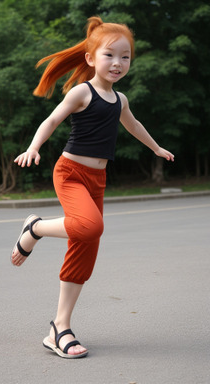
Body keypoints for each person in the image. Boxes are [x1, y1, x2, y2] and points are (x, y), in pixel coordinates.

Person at [11, 16, 174, 359]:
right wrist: (34, 147)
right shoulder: (82, 91)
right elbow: (52, 119)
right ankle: (35, 227)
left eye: (125, 57)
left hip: (97, 180)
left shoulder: (121, 100)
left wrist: (155, 148)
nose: (118, 63)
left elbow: (134, 125)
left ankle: (60, 327)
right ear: (90, 58)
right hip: (70, 173)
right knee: (90, 226)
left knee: (85, 247)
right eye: (109, 55)